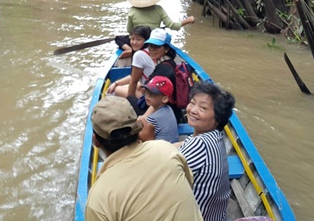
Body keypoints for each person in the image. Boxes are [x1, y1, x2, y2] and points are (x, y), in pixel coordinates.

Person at [85, 96, 203, 221]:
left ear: (96, 141)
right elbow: (189, 182)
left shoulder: (98, 198)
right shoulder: (166, 149)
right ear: (138, 129)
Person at [177, 82, 236, 221]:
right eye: (192, 103)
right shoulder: (214, 137)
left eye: (203, 108)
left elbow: (163, 178)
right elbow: (182, 145)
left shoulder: (200, 144)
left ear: (217, 119)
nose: (193, 110)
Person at [127, 0, 195, 34]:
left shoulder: (132, 11)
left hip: (139, 38)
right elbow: (172, 26)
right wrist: (188, 20)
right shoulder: (158, 9)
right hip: (155, 38)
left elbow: (129, 30)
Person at [108, 26, 153, 99]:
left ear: (146, 40)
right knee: (138, 85)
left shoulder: (139, 55)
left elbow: (133, 82)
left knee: (115, 90)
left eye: (139, 39)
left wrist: (131, 101)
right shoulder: (151, 50)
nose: (134, 42)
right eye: (132, 39)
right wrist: (116, 83)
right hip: (154, 88)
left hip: (151, 97)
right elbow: (133, 76)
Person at [138, 76, 179, 143]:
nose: (147, 95)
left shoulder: (153, 119)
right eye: (146, 91)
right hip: (171, 148)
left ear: (164, 99)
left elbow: (141, 136)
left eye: (152, 93)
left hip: (161, 151)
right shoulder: (169, 109)